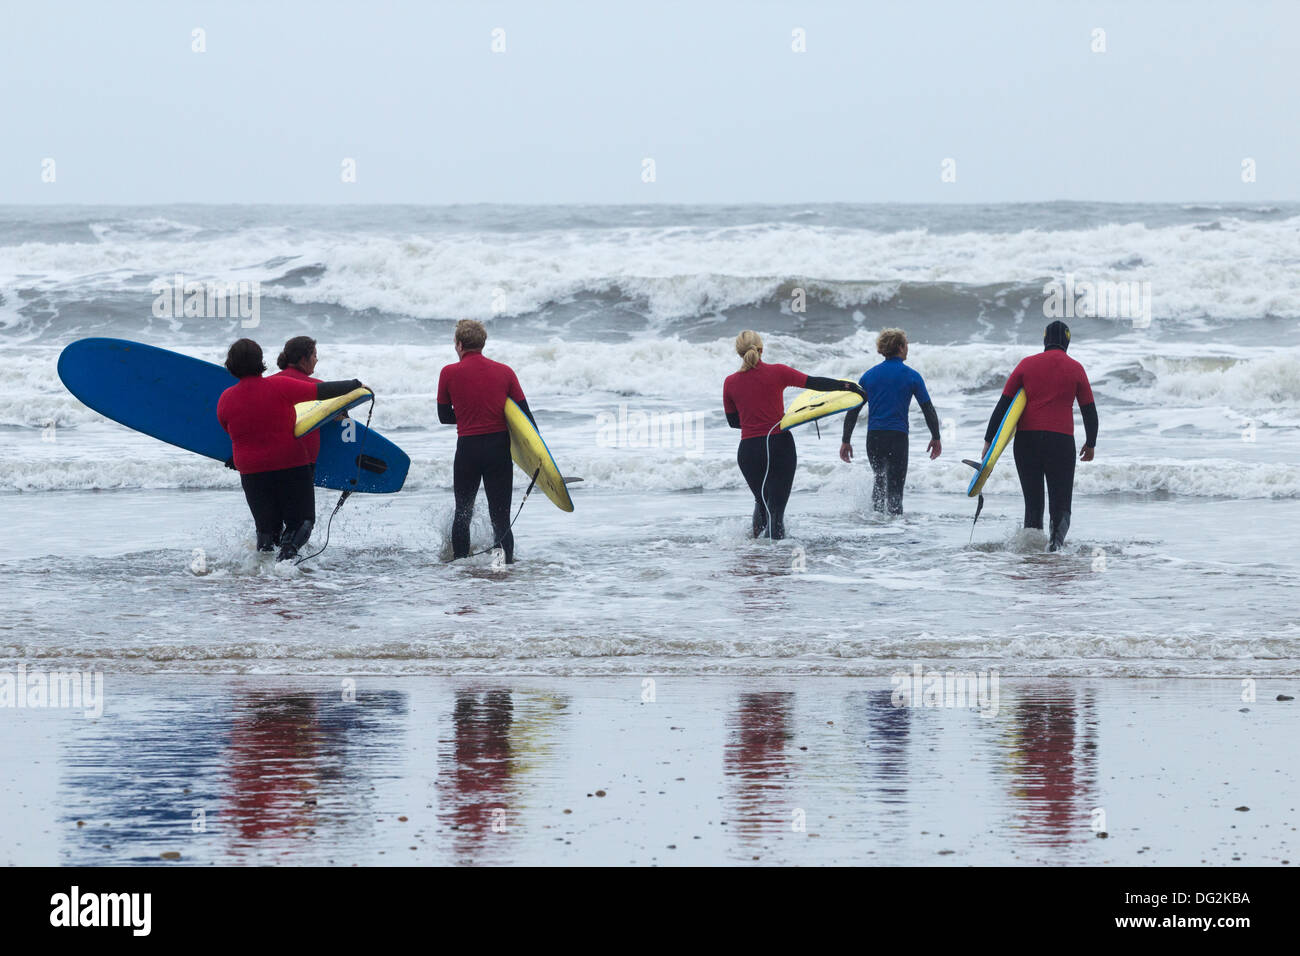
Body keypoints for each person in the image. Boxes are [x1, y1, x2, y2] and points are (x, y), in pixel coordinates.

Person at [217, 338, 364, 561]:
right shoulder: (279, 387)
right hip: (289, 463)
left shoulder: (225, 399)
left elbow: (231, 431)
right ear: (260, 361)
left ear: (231, 365)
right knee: (302, 522)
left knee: (267, 530)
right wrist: (354, 385)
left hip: (251, 470)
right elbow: (320, 391)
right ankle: (287, 557)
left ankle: (262, 571)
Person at [722, 330, 866, 540]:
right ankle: (776, 563)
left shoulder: (730, 382)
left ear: (739, 353)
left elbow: (734, 423)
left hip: (749, 451)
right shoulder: (778, 372)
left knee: (761, 502)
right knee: (776, 512)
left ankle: (756, 559)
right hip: (779, 445)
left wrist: (755, 420)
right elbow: (815, 383)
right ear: (761, 350)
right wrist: (849, 386)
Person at [981, 320, 1098, 551]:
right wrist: (1091, 442)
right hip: (1061, 442)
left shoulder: (1026, 365)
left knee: (1033, 503)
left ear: (1045, 340)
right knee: (1061, 502)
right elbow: (1089, 411)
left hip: (1027, 442)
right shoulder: (1076, 368)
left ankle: (1031, 553)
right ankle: (1055, 548)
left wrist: (989, 442)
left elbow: (1003, 406)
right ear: (1067, 341)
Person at [437, 319, 535, 563]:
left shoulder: (448, 373)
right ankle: (503, 568)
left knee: (463, 513)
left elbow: (443, 416)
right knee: (500, 517)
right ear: (483, 343)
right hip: (498, 449)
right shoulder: (505, 371)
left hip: (468, 449)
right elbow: (526, 418)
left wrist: (468, 414)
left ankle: (460, 568)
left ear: (459, 345)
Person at [838, 328, 942, 515]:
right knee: (895, 491)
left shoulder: (869, 376)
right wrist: (936, 437)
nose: (907, 348)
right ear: (900, 347)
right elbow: (928, 408)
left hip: (874, 438)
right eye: (906, 345)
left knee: (879, 482)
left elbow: (853, 410)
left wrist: (846, 440)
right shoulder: (912, 376)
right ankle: (894, 536)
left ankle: (877, 528)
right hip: (898, 437)